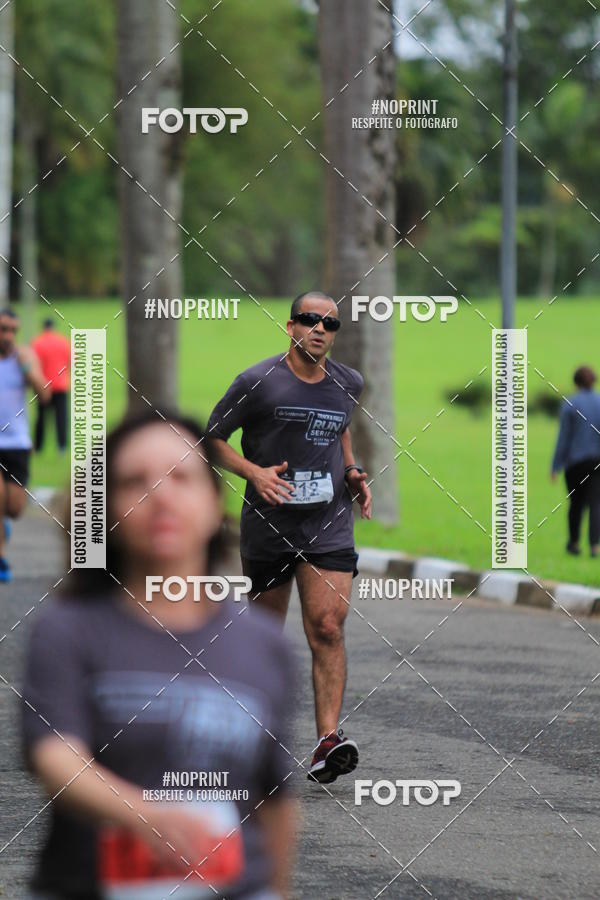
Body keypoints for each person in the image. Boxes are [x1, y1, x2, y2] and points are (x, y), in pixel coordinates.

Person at [21, 411, 297, 900]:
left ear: (215, 505)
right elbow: (54, 756)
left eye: (181, 477)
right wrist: (144, 815)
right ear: (105, 510)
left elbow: (275, 799)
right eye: (134, 482)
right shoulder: (66, 630)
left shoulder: (263, 643)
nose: (160, 495)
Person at [206, 290, 372, 785]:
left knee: (327, 626)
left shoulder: (348, 382)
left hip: (328, 522)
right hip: (270, 524)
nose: (320, 329)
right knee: (263, 635)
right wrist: (253, 473)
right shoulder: (257, 382)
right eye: (309, 320)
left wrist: (352, 470)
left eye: (330, 324)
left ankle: (327, 741)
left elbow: (340, 427)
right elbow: (211, 438)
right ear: (290, 326)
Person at [0, 308, 49, 582]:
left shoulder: (25, 357)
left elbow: (45, 394)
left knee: (15, 508)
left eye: (12, 330)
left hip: (17, 442)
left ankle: (5, 522)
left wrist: (27, 369)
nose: (7, 336)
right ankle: (1, 560)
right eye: (3, 329)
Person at [551, 365, 600, 557]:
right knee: (596, 503)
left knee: (576, 503)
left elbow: (564, 437)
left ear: (576, 382)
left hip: (575, 462)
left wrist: (556, 465)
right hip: (597, 461)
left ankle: (574, 543)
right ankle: (595, 546)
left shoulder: (570, 404)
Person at [31, 318, 71, 452]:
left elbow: (32, 364)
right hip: (60, 385)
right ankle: (62, 446)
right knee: (61, 417)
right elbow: (71, 360)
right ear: (53, 327)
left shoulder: (37, 342)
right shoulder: (63, 341)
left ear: (44, 327)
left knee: (41, 418)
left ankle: (38, 447)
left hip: (43, 385)